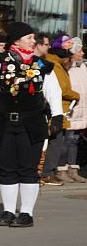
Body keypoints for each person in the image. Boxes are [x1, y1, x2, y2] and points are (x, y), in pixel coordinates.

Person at [0, 22, 61, 228]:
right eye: (30, 38)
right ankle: (7, 211)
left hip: (31, 122)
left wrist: (57, 115)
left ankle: (26, 212)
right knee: (6, 169)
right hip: (2, 122)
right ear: (17, 40)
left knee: (28, 169)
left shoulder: (42, 65)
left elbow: (53, 90)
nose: (34, 42)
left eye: (33, 38)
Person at [40, 42, 78, 186]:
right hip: (56, 110)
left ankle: (45, 172)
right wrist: (76, 95)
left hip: (58, 109)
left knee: (54, 141)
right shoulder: (55, 65)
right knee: (55, 141)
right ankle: (46, 173)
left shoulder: (54, 64)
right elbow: (62, 88)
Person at [64, 38, 87, 183]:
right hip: (72, 108)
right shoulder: (67, 67)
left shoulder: (83, 67)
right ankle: (62, 167)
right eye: (79, 50)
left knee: (75, 140)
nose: (82, 53)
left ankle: (73, 168)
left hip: (81, 109)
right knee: (67, 139)